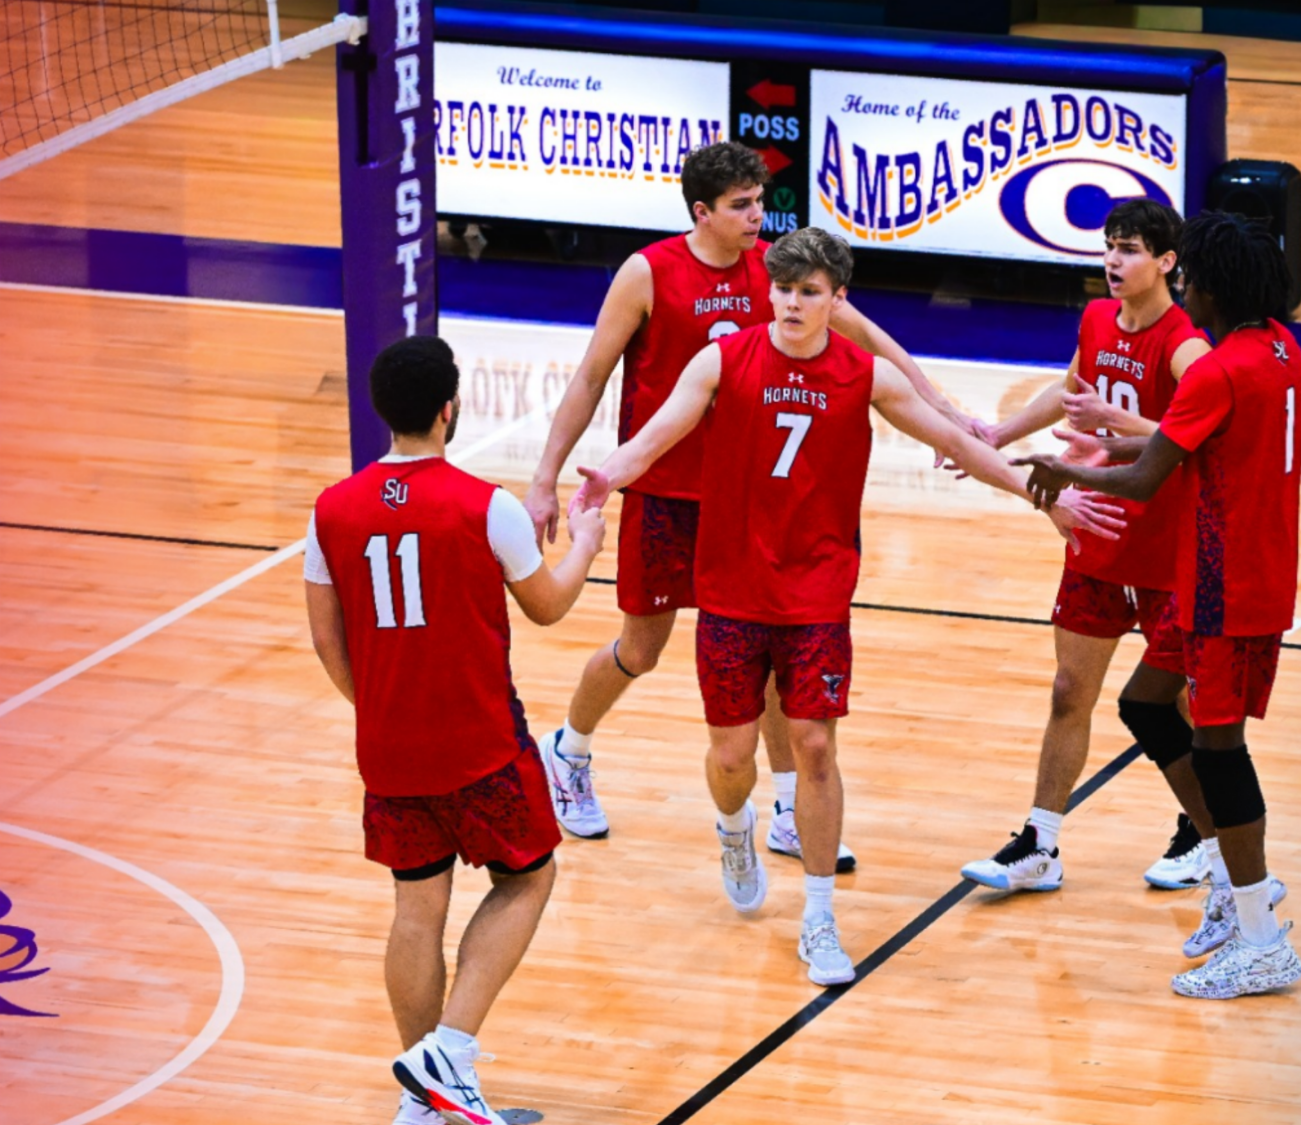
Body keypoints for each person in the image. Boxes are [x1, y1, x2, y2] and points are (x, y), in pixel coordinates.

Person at [571, 227, 1120, 986]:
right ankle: (736, 825)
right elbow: (656, 435)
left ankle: (820, 916)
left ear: (837, 299)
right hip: (731, 587)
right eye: (784, 289)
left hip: (816, 592)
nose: (793, 303)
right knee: (732, 760)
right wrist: (609, 477)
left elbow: (960, 450)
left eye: (809, 291)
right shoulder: (723, 360)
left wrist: (1039, 499)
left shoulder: (864, 376)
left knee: (817, 747)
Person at [523, 141, 973, 862]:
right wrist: (547, 478)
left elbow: (867, 336)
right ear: (701, 211)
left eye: (760, 202)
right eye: (742, 206)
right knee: (641, 648)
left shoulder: (779, 271)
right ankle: (568, 750)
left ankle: (791, 807)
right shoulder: (648, 272)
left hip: (749, 503)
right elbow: (590, 377)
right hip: (667, 493)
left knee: (773, 656)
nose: (757, 216)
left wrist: (943, 406)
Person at [305, 336, 605, 1124]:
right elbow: (549, 605)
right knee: (530, 875)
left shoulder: (330, 509)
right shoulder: (485, 505)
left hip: (389, 746)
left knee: (416, 908)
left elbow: (326, 637)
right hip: (479, 743)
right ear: (450, 407)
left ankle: (426, 1106)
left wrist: (379, 706)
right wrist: (584, 544)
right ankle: (452, 1052)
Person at [1014, 211, 1301, 999]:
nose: (1184, 290)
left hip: (1223, 583)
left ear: (1209, 282)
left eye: (1189, 278)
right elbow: (1175, 447)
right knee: (1147, 706)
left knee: (1220, 750)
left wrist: (1069, 473)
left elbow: (1146, 477)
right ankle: (1228, 882)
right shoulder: (1282, 347)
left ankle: (1261, 935)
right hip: (1258, 568)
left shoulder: (1214, 369)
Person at [959, 199, 1225, 895]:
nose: (1113, 259)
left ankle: (1203, 829)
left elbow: (1203, 429)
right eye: (1109, 246)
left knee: (1179, 706)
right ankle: (1040, 842)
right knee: (1068, 689)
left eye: (1130, 248)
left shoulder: (1185, 343)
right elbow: (1071, 388)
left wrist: (1119, 423)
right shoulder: (1098, 319)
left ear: (1167, 261)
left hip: (1169, 550)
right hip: (1099, 535)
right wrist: (1000, 433)